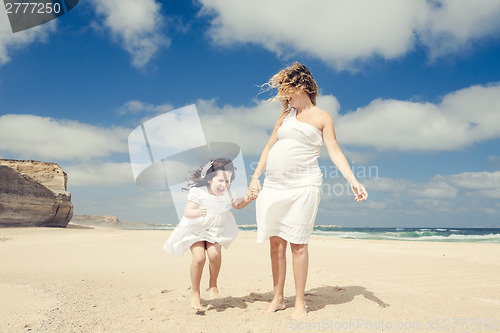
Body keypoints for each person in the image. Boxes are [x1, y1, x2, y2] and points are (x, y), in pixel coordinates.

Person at [248, 62, 368, 319]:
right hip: (274, 185)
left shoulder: (323, 117)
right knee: (276, 243)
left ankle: (300, 302)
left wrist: (353, 180)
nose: (284, 96)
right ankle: (278, 298)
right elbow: (269, 148)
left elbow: (334, 151)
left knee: (298, 244)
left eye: (287, 90)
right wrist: (255, 177)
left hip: (304, 186)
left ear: (302, 86)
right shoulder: (283, 117)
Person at [164, 158, 254, 310]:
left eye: (227, 181)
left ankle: (213, 284)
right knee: (199, 258)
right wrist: (197, 212)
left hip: (215, 229)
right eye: (220, 180)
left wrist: (248, 198)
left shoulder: (228, 193)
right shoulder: (198, 191)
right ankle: (195, 292)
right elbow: (187, 211)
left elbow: (237, 205)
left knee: (214, 255)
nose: (223, 185)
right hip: (196, 229)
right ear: (210, 178)